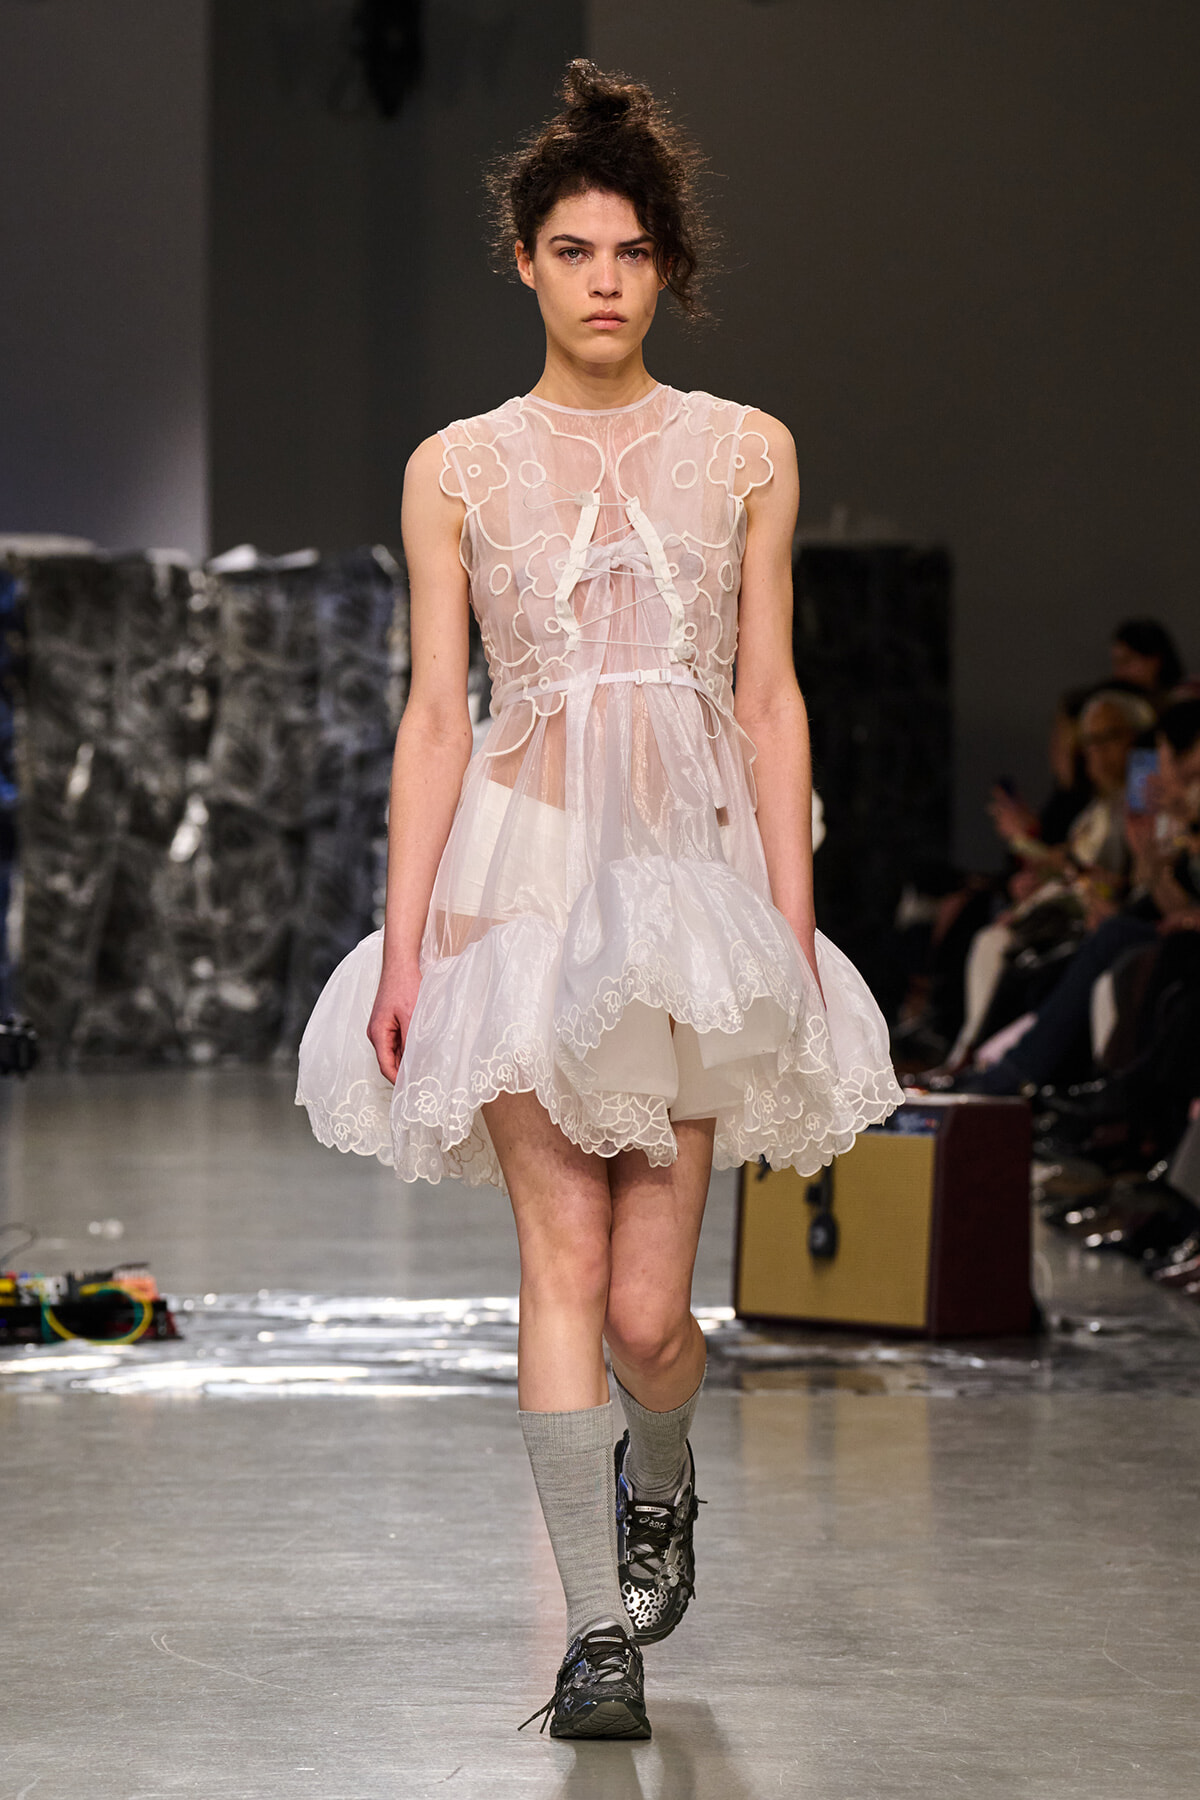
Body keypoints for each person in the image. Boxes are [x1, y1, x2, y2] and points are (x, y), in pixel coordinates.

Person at [296, 60, 900, 1741]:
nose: (605, 278)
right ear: (525, 263)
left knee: (654, 1312)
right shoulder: (459, 468)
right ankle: (594, 1637)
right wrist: (407, 941)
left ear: (667, 266)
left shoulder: (745, 450)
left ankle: (666, 1473)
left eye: (631, 250)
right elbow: (437, 711)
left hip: (687, 892)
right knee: (560, 1268)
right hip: (516, 883)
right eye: (573, 250)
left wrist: (786, 918)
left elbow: (771, 701)